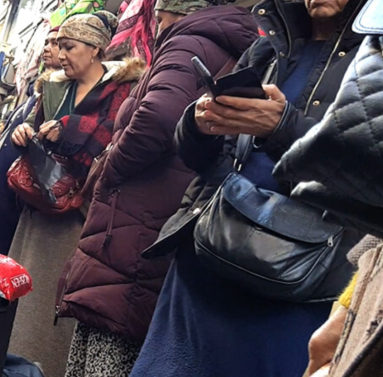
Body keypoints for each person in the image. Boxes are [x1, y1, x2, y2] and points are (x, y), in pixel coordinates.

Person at [129, 0, 366, 374]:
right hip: (207, 260)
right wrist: (198, 124)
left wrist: (285, 128)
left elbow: (370, 174)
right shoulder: (270, 45)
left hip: (297, 282)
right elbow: (201, 158)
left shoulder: (377, 61)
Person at [57, 1, 258, 376]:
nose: (155, 25)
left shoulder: (188, 43)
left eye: (159, 16)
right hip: (162, 216)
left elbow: (157, 119)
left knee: (110, 340)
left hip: (137, 221)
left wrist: (109, 169)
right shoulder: (231, 46)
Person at [7, 11, 144, 377]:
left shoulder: (123, 91)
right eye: (58, 46)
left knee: (53, 303)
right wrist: (24, 133)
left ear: (96, 48)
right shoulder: (51, 88)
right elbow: (35, 131)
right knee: (23, 295)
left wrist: (67, 128)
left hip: (80, 216)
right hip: (38, 208)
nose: (60, 54)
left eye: (69, 46)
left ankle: (44, 367)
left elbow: (118, 137)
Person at [0, 26, 63, 255]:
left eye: (56, 43)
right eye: (46, 42)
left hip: (20, 197)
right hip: (0, 190)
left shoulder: (61, 97)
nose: (46, 49)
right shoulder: (36, 93)